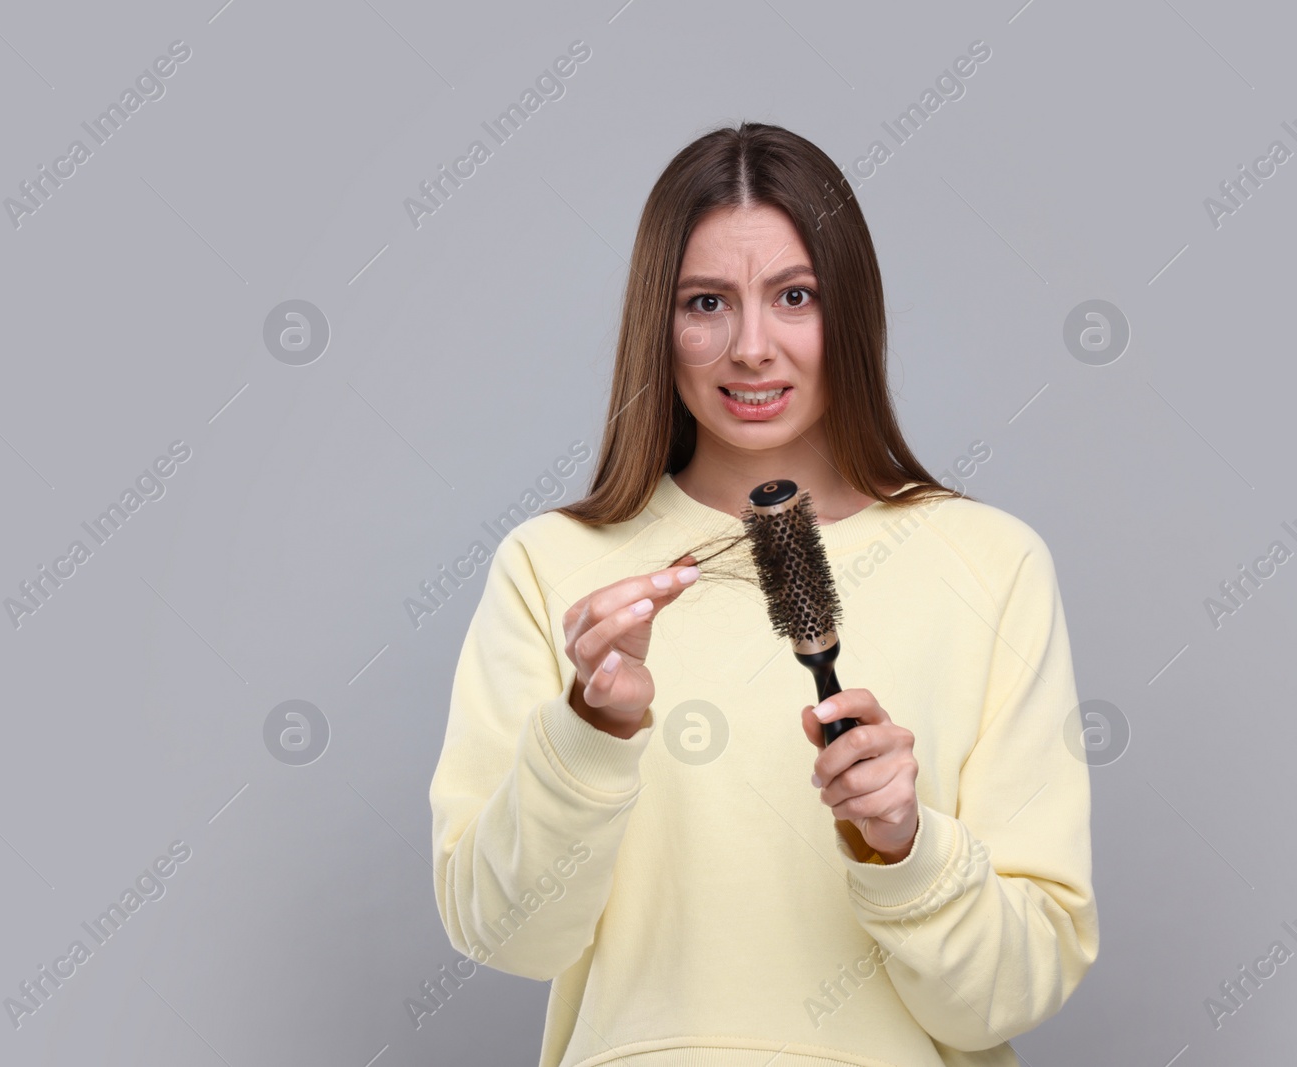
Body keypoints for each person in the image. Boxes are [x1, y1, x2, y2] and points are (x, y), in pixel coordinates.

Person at [427, 122, 1098, 1067]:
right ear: (659, 323)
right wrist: (590, 730)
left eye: (794, 296)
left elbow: (1011, 994)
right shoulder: (553, 567)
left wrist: (904, 846)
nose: (751, 347)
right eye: (707, 301)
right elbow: (506, 937)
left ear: (851, 314)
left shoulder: (991, 563)